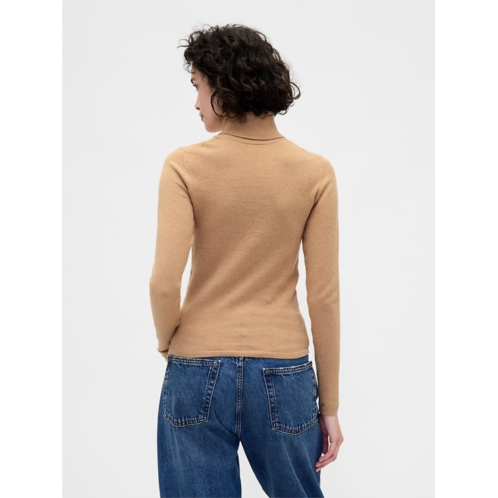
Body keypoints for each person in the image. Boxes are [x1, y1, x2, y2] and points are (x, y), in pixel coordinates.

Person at [149, 24, 344, 498]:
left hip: (195, 365)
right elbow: (324, 297)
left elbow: (162, 283)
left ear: (223, 87)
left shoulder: (184, 165)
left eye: (198, 86)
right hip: (284, 371)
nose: (196, 102)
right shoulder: (315, 172)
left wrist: (169, 343)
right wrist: (330, 406)